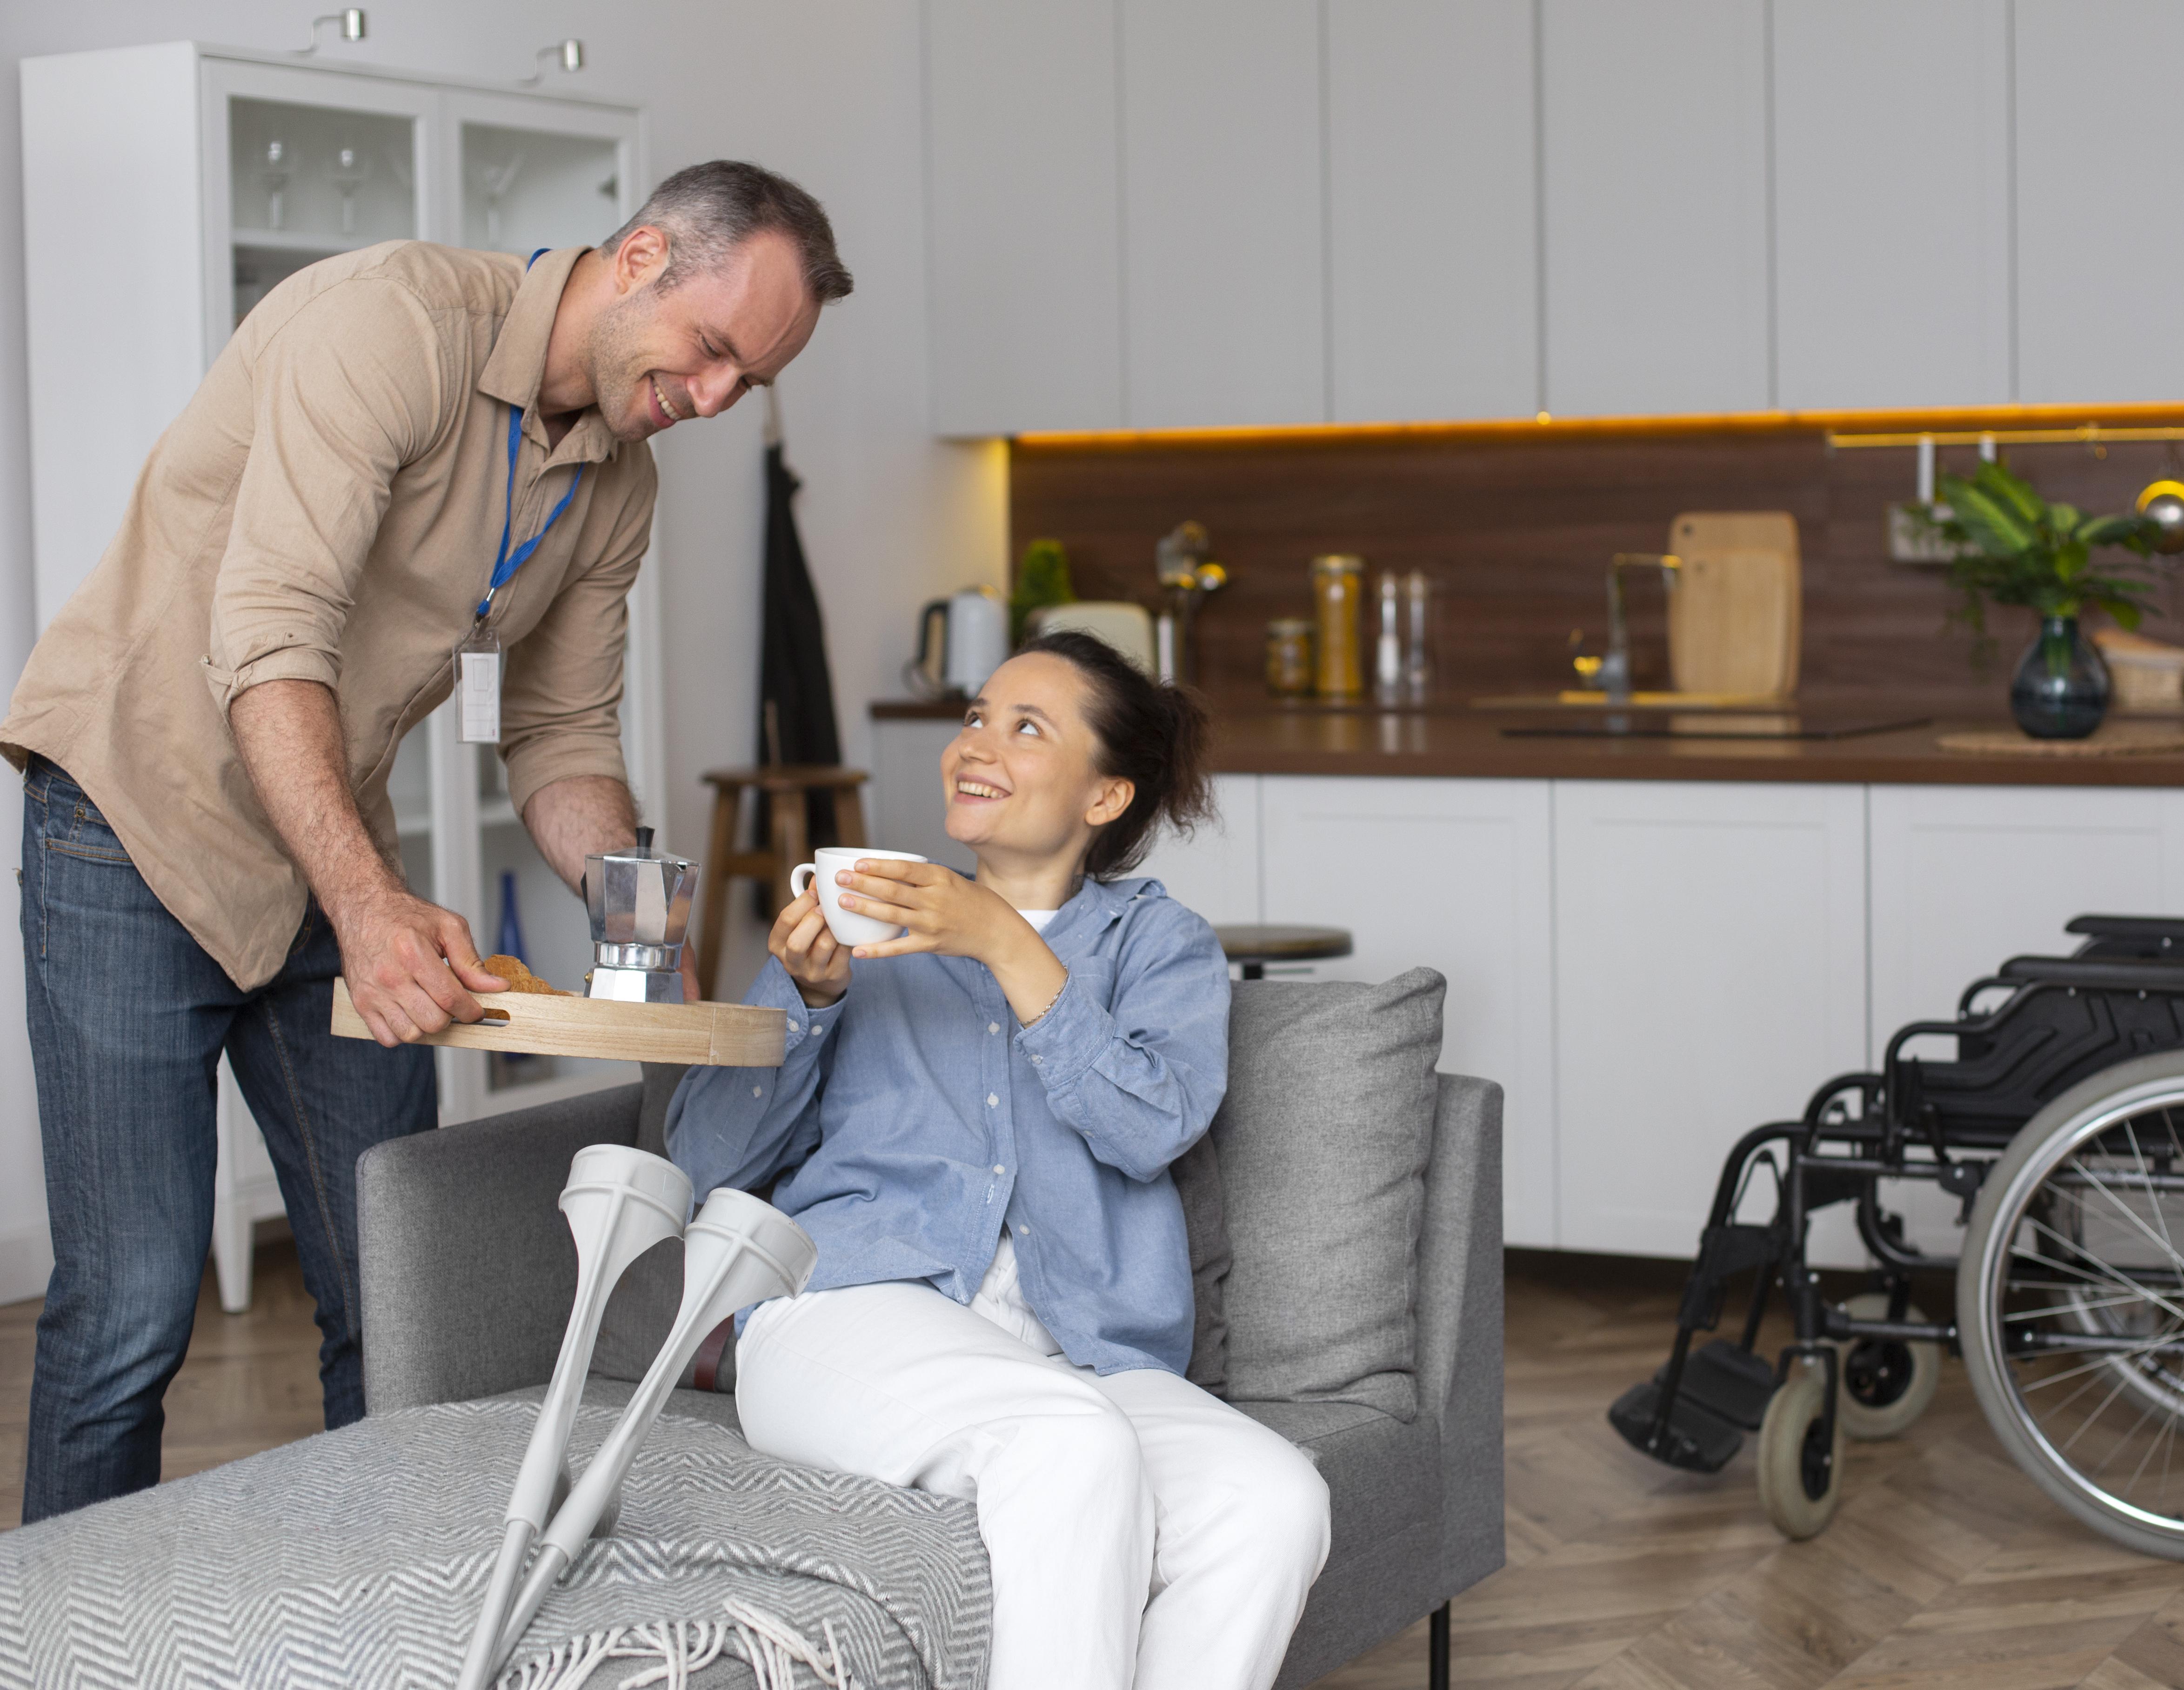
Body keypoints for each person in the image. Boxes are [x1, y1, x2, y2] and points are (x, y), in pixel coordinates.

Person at [3, 160, 851, 1523]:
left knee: (391, 1281)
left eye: (746, 383)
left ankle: (398, 1616)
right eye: (709, 353)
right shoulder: (386, 327)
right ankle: (49, 1639)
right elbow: (272, 638)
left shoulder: (615, 482)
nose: (710, 401)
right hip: (131, 819)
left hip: (326, 852)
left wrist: (645, 926)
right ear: (638, 259)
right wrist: (369, 900)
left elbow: (564, 732)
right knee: (133, 1305)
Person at [666, 633, 1331, 1690]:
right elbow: (706, 1154)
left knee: (1274, 1496)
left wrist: (1003, 943)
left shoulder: (1160, 948)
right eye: (976, 716)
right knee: (1067, 1447)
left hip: (1085, 1354)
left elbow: (1150, 1125)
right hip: (846, 1311)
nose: (977, 743)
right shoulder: (866, 919)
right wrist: (807, 1000)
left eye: (1027, 727)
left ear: (1104, 796)